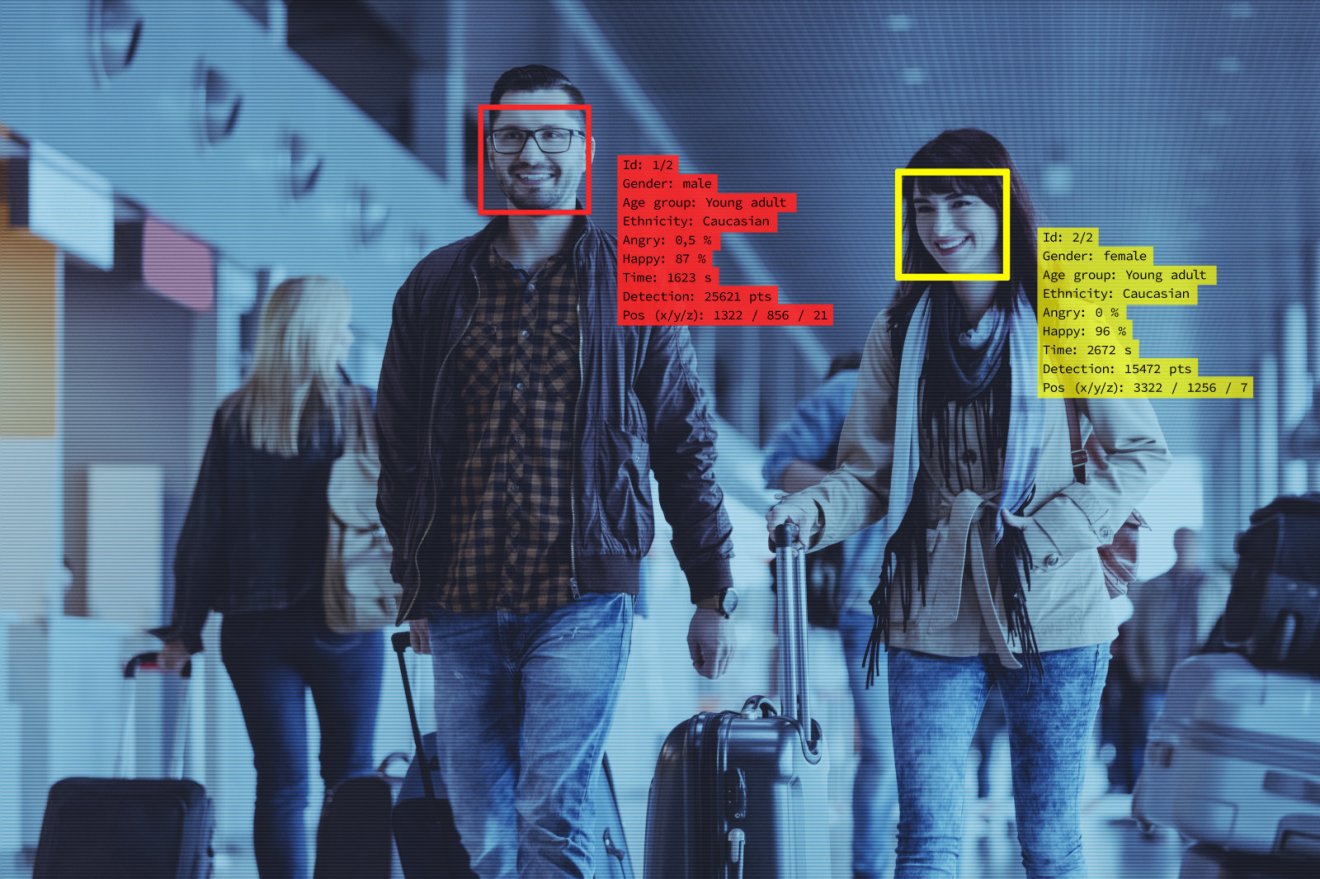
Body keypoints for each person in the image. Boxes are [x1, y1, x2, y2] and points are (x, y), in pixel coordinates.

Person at [766, 128, 1172, 879]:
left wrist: (1047, 531)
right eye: (924, 208)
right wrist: (810, 513)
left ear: (1001, 203)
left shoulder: (1071, 312)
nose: (942, 226)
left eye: (961, 201)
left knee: (1049, 842)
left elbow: (1143, 451)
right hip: (928, 604)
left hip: (1053, 605)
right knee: (925, 841)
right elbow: (870, 474)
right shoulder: (899, 328)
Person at [374, 64, 737, 879]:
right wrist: (414, 584)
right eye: (511, 134)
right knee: (482, 824)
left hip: (582, 594)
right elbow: (399, 446)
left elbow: (686, 443)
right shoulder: (436, 285)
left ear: (585, 149)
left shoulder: (636, 283)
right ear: (489, 148)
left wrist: (712, 592)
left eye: (552, 134)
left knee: (551, 807)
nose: (530, 150)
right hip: (463, 596)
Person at [151, 276, 383, 879]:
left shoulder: (236, 416)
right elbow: (403, 514)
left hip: (254, 633)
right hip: (346, 622)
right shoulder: (362, 411)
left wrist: (184, 630)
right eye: (341, 325)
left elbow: (204, 530)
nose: (348, 335)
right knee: (351, 778)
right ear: (317, 335)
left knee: (280, 786)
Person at [762, 352, 898, 879]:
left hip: (944, 603)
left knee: (917, 755)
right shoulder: (851, 386)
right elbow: (777, 461)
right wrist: (858, 490)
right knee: (885, 752)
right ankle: (870, 869)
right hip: (874, 600)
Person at [1126, 528, 1230, 760]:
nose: (1185, 549)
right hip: (1158, 677)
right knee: (1155, 739)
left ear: (1198, 546)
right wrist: (1139, 670)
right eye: (1180, 543)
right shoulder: (1153, 587)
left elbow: (1226, 631)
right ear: (1174, 545)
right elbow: (1136, 631)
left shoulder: (1217, 586)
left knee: (1197, 740)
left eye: (1190, 544)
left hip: (1200, 678)